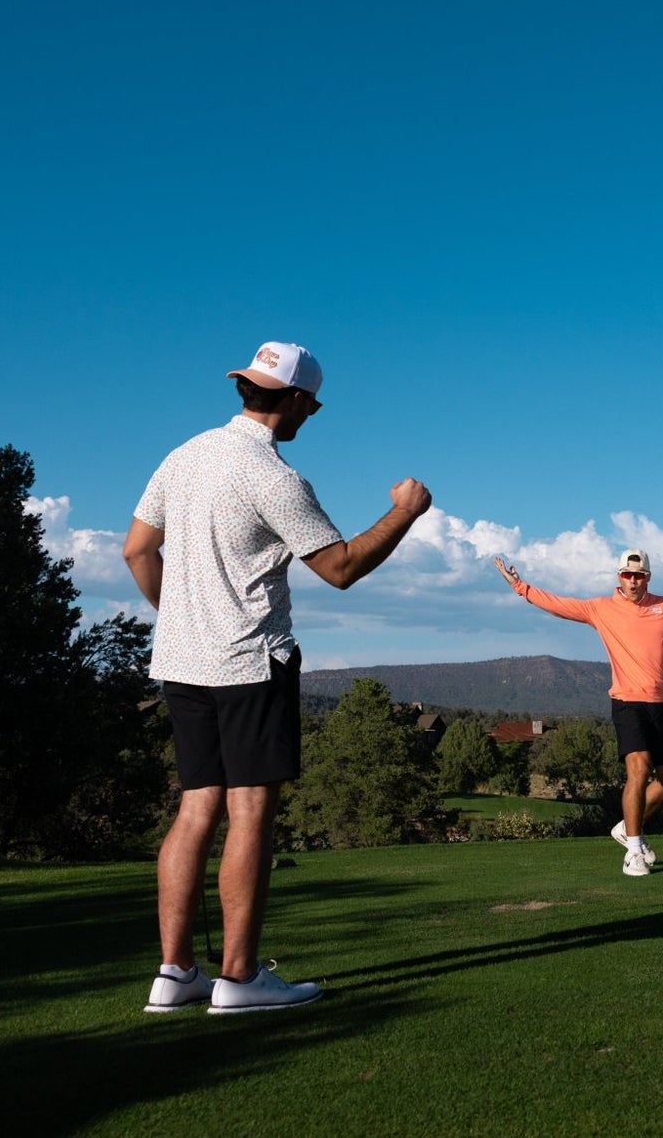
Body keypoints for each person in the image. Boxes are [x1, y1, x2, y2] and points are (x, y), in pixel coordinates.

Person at [123, 341, 431, 1013]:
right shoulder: (273, 476)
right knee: (250, 810)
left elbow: (137, 549)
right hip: (249, 663)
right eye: (310, 407)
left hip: (181, 661)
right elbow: (341, 567)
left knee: (195, 806)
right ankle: (237, 978)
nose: (309, 418)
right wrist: (406, 513)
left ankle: (173, 974)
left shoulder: (183, 456)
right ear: (292, 400)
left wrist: (179, 617)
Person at [492, 549, 663, 875]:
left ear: (647, 578)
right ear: (619, 577)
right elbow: (557, 604)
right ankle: (634, 851)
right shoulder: (601, 609)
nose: (632, 581)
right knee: (638, 771)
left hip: (660, 704)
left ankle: (628, 828)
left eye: (638, 575)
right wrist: (520, 586)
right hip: (627, 703)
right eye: (627, 575)